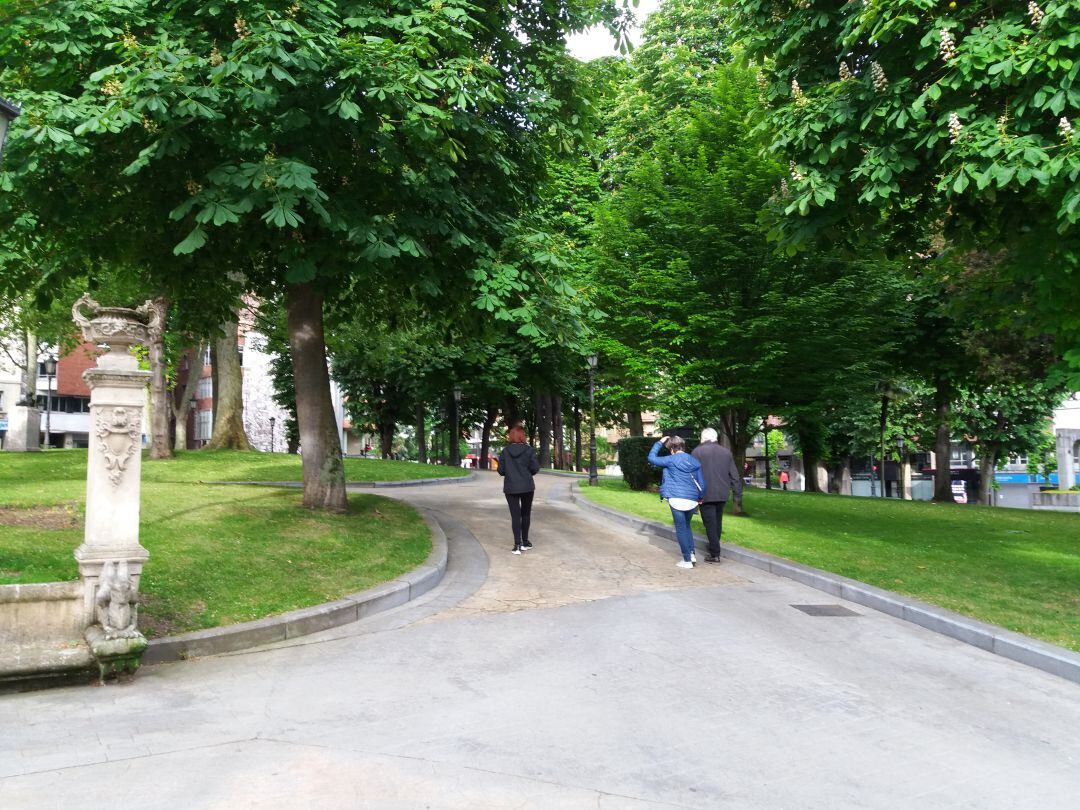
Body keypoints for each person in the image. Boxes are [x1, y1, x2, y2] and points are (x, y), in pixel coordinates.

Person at [648, 435, 705, 568]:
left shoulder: (670, 460)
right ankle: (691, 554)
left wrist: (660, 442)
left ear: (671, 448)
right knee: (687, 526)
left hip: (676, 498)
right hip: (692, 499)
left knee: (681, 528)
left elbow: (651, 458)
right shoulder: (694, 461)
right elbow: (702, 482)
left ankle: (686, 560)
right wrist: (700, 497)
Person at [691, 428, 743, 563]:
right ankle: (714, 546)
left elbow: (692, 475)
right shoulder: (726, 452)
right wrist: (737, 497)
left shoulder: (697, 452)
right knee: (717, 522)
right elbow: (735, 476)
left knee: (709, 524)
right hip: (722, 493)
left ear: (703, 438)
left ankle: (715, 553)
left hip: (704, 493)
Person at [498, 425, 540, 554]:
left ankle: (517, 545)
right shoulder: (529, 450)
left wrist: (511, 473)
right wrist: (526, 474)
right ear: (522, 436)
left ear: (511, 436)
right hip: (527, 486)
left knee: (515, 516)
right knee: (526, 514)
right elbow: (535, 468)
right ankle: (525, 542)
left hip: (511, 487)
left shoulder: (505, 451)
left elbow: (501, 470)